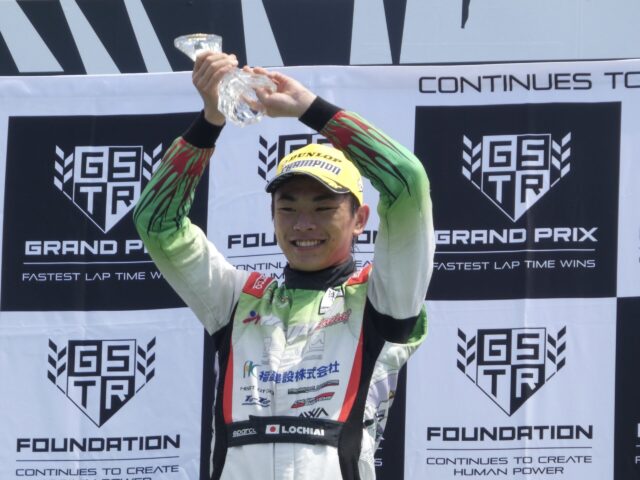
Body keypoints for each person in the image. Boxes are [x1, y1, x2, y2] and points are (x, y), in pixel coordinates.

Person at [133, 52, 434, 480]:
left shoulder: (380, 298)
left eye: (324, 207)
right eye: (288, 208)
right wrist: (211, 120)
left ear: (360, 219)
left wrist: (310, 109)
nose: (303, 224)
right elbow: (157, 223)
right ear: (272, 217)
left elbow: (407, 182)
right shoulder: (236, 299)